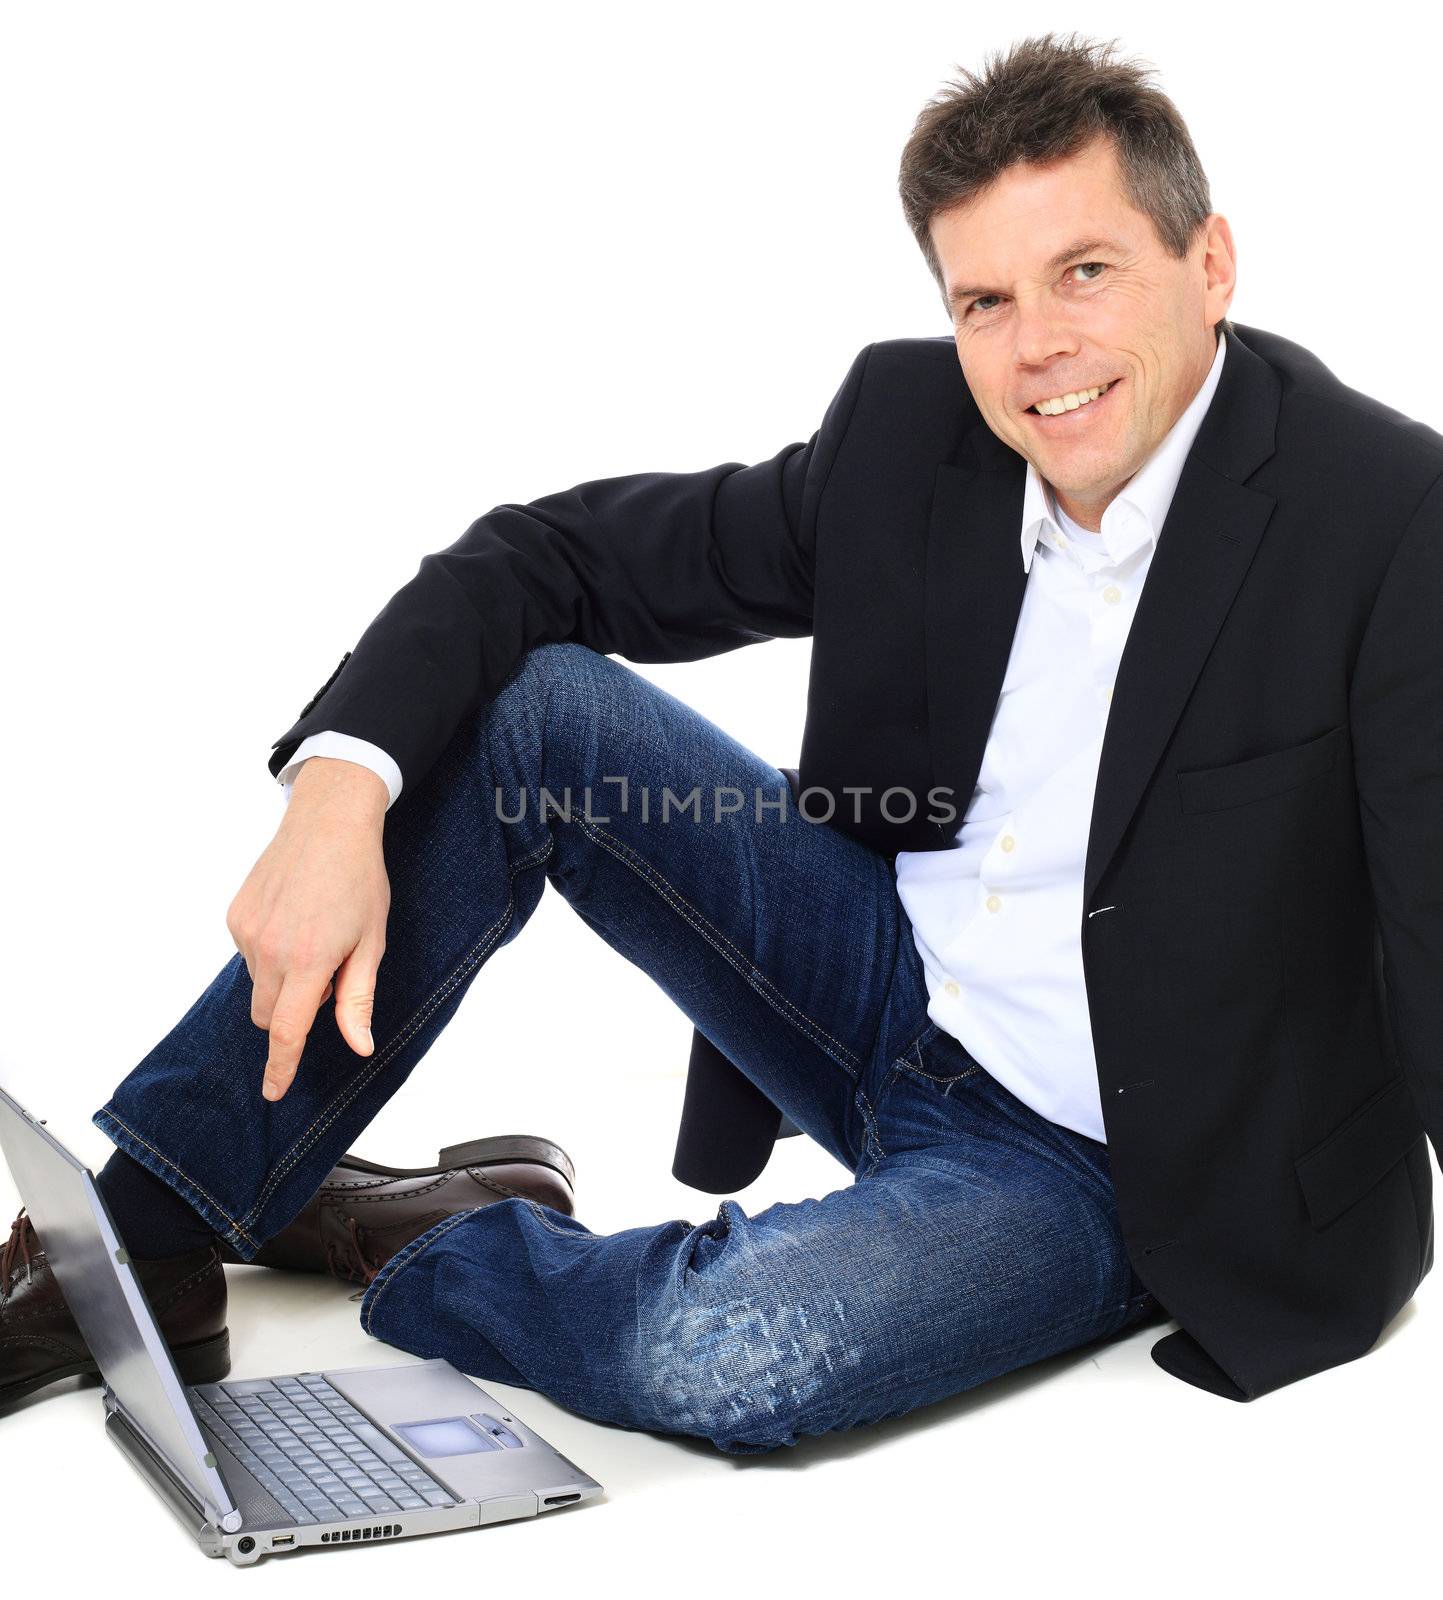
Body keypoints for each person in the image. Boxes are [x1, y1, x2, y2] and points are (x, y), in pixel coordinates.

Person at [5, 29, 1439, 1453]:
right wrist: (333, 794)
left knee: (719, 1356)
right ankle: (143, 1233)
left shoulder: (1384, 517)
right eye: (983, 299)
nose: (1037, 349)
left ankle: (418, 1241)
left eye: (1086, 272)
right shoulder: (915, 436)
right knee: (542, 711)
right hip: (883, 990)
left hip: (1102, 1163)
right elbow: (543, 560)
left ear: (1213, 264)